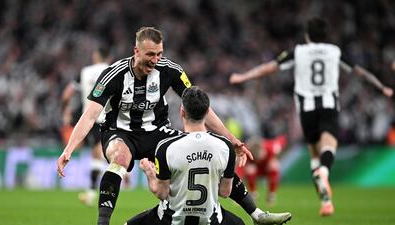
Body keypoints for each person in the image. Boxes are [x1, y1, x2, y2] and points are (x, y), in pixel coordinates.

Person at [57, 27, 291, 225]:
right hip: (121, 132)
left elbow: (200, 106)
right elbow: (89, 116)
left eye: (159, 54)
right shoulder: (113, 75)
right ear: (136, 51)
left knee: (205, 152)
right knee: (119, 157)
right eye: (150, 54)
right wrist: (68, 149)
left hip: (158, 131)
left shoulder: (170, 70)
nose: (155, 60)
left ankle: (257, 214)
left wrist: (231, 138)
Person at [230, 17, 393, 217]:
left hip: (306, 109)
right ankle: (324, 173)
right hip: (328, 105)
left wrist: (243, 77)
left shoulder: (298, 52)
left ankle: (326, 201)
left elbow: (268, 68)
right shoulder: (335, 51)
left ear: (308, 36)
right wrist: (381, 87)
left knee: (315, 154)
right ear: (326, 36)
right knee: (329, 145)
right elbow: (360, 73)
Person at [125, 86, 245, 225]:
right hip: (211, 221)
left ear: (182, 111)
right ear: (207, 112)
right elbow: (225, 192)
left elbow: (161, 193)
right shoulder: (225, 146)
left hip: (171, 220)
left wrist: (149, 172)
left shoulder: (166, 147)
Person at [60, 46, 112, 206]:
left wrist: (65, 111)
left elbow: (67, 94)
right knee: (101, 154)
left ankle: (92, 191)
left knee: (97, 154)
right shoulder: (113, 70)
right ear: (109, 58)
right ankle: (95, 191)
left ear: (96, 56)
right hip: (110, 117)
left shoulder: (85, 72)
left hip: (90, 118)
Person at [238, 134, 287, 206]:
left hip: (267, 168)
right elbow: (239, 169)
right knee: (250, 169)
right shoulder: (246, 151)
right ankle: (253, 194)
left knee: (274, 166)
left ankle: (271, 195)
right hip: (256, 171)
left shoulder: (272, 147)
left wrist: (274, 158)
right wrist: (237, 191)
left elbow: (283, 139)